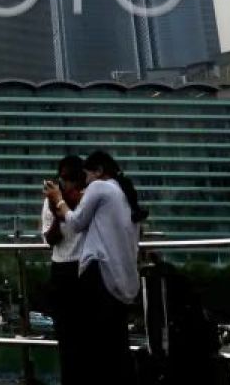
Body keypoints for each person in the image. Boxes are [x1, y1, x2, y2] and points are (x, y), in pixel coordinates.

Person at [44, 150, 147, 384]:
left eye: (86, 176)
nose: (85, 182)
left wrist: (58, 201)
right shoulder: (122, 193)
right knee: (115, 343)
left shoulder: (100, 189)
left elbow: (77, 221)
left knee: (95, 344)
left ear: (98, 171)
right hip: (121, 277)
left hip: (99, 274)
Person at [40, 155, 87, 385]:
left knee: (89, 335)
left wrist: (70, 205)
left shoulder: (89, 197)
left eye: (71, 179)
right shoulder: (52, 199)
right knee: (66, 336)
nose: (67, 184)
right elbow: (50, 240)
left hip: (86, 267)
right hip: (61, 269)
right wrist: (58, 211)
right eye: (63, 179)